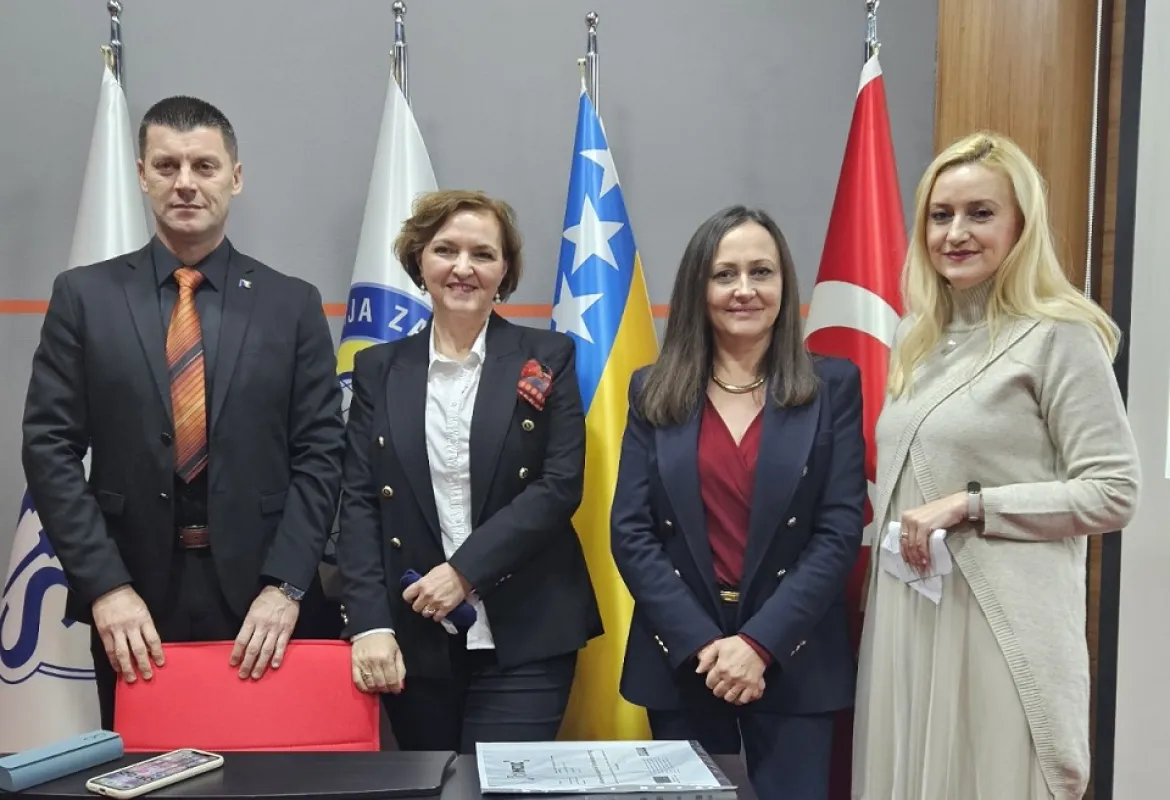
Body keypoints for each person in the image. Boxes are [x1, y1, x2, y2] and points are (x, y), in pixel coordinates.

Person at [21, 96, 345, 729]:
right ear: (142, 176)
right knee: (146, 769)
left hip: (265, 602)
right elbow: (49, 448)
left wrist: (286, 586)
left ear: (235, 177)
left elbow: (321, 453)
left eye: (204, 166)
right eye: (167, 166)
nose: (186, 183)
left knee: (272, 768)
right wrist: (106, 587)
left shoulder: (291, 303)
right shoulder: (84, 296)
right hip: (132, 601)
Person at [852, 132, 1141, 800]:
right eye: (941, 214)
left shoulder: (1059, 334)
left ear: (1020, 225)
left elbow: (1115, 491)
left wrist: (974, 504)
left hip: (997, 629)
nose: (956, 232)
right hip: (910, 619)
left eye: (980, 213)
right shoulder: (916, 339)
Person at [610, 206, 866, 798]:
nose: (744, 289)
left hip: (795, 653)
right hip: (684, 656)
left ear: (784, 284)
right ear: (698, 288)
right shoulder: (653, 388)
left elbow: (838, 530)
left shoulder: (832, 385)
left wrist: (758, 644)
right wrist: (705, 646)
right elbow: (632, 531)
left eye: (761, 272)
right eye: (724, 274)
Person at [336, 189, 602, 753]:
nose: (463, 268)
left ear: (504, 271)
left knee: (499, 788)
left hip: (527, 628)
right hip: (414, 634)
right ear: (419, 260)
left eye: (482, 254)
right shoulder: (378, 368)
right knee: (433, 786)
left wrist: (463, 572)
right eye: (446, 250)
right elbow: (358, 502)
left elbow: (558, 487)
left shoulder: (547, 355)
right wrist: (369, 624)